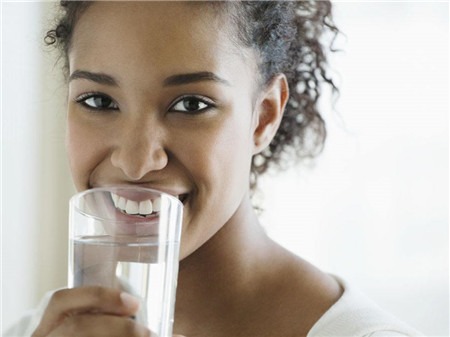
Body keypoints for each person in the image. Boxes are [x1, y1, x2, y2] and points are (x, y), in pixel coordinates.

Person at [5, 1, 423, 336]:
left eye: (191, 105)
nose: (134, 163)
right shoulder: (41, 330)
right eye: (98, 101)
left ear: (263, 116)